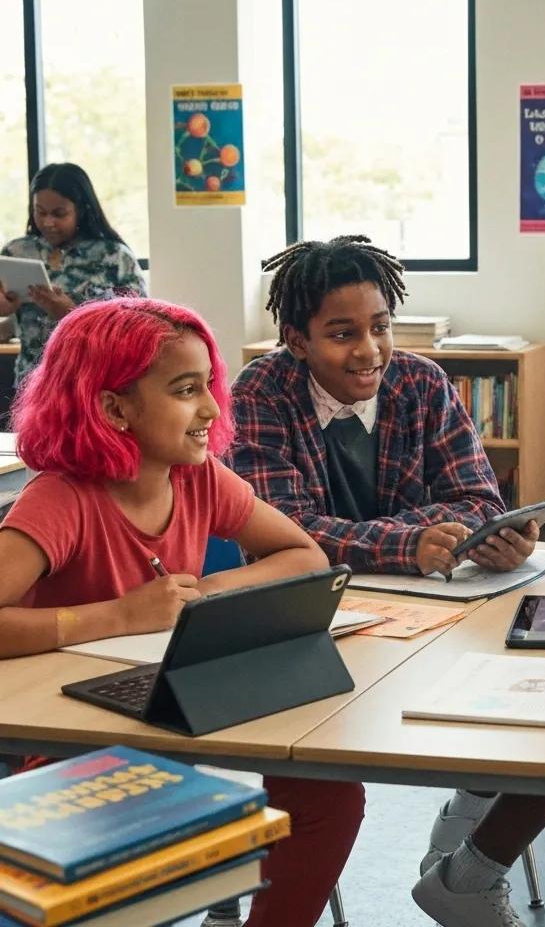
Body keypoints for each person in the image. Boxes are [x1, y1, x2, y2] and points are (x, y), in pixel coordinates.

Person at [0, 297, 364, 927]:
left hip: (169, 706)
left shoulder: (195, 477)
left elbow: (303, 556)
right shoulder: (60, 499)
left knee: (330, 797)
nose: (212, 409)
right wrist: (118, 615)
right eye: (185, 390)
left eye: (209, 386)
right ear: (114, 407)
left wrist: (203, 598)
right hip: (74, 743)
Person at [227, 235, 539, 576]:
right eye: (343, 335)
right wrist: (407, 543)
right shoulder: (261, 393)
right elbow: (284, 532)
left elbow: (480, 503)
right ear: (298, 341)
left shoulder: (422, 382)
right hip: (302, 596)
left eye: (380, 327)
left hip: (418, 597)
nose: (370, 350)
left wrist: (495, 542)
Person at [0, 163, 147, 386]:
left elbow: (139, 326)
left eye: (59, 214)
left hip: (94, 383)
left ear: (82, 209)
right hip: (32, 386)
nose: (48, 222)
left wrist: (71, 314)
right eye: (40, 212)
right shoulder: (16, 252)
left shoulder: (114, 257)